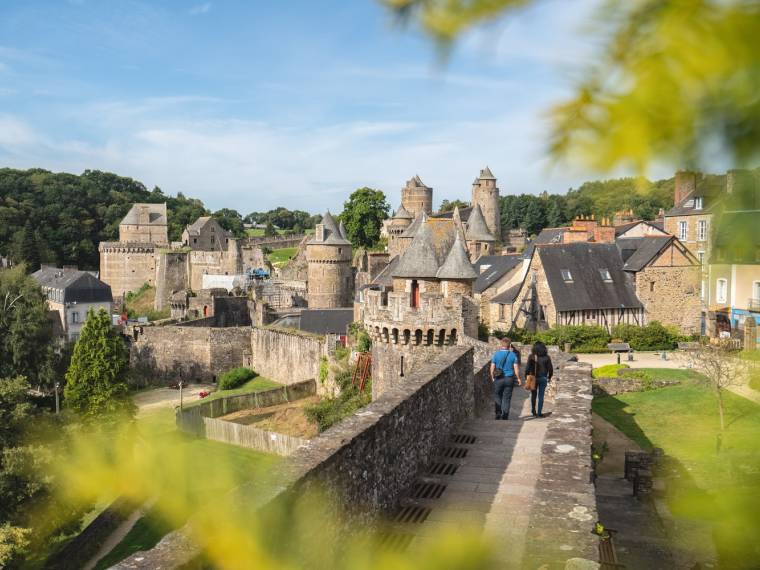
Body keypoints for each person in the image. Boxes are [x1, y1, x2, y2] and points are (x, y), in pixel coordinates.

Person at [490, 337, 522, 420]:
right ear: (509, 345)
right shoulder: (513, 355)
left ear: (501, 344)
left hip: (499, 378)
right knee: (507, 398)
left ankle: (498, 413)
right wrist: (518, 378)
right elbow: (516, 369)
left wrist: (492, 376)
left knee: (497, 395)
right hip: (509, 378)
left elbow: (492, 367)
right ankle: (505, 415)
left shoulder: (496, 354)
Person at [526, 341, 553, 418]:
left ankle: (533, 410)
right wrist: (549, 377)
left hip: (533, 378)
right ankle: (539, 412)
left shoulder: (531, 356)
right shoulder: (547, 357)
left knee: (533, 395)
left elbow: (527, 368)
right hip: (543, 378)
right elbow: (550, 369)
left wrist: (526, 377)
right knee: (541, 396)